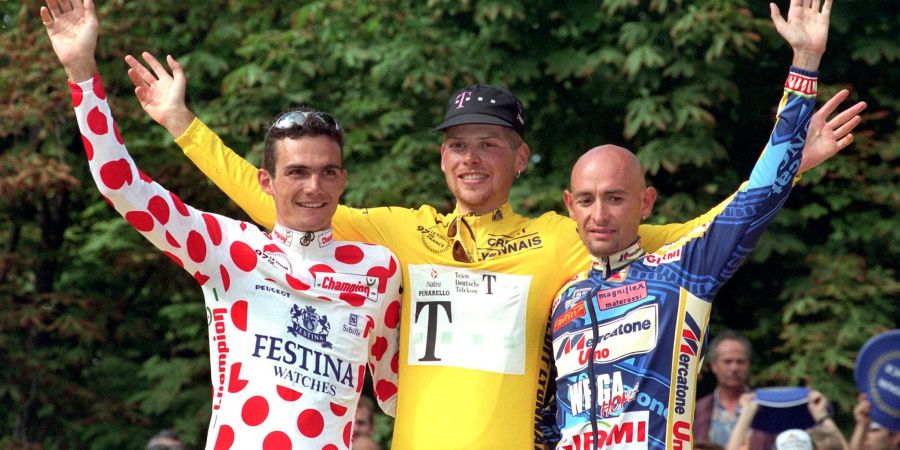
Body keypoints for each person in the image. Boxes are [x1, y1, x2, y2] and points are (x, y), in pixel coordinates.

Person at [122, 3, 865, 448]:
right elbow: (281, 201)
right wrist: (183, 125)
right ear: (440, 158)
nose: (469, 158)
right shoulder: (397, 232)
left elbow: (706, 230)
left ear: (520, 156)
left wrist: (793, 159)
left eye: (487, 143)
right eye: (456, 144)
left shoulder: (565, 234)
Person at [40, 0, 402, 448]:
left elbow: (396, 394)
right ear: (265, 182)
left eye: (328, 171)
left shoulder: (378, 268)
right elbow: (121, 185)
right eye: (297, 172)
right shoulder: (230, 249)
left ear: (343, 180)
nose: (314, 186)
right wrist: (82, 73)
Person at [548, 1, 836, 447]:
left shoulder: (684, 268)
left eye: (615, 198)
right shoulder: (561, 296)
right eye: (586, 200)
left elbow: (757, 197)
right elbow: (545, 418)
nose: (599, 214)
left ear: (645, 203)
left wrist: (805, 63)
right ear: (570, 205)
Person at [695, 331, 775, 449]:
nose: (734, 368)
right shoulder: (697, 410)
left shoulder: (766, 408)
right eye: (727, 361)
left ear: (748, 365)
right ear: (713, 366)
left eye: (740, 362)